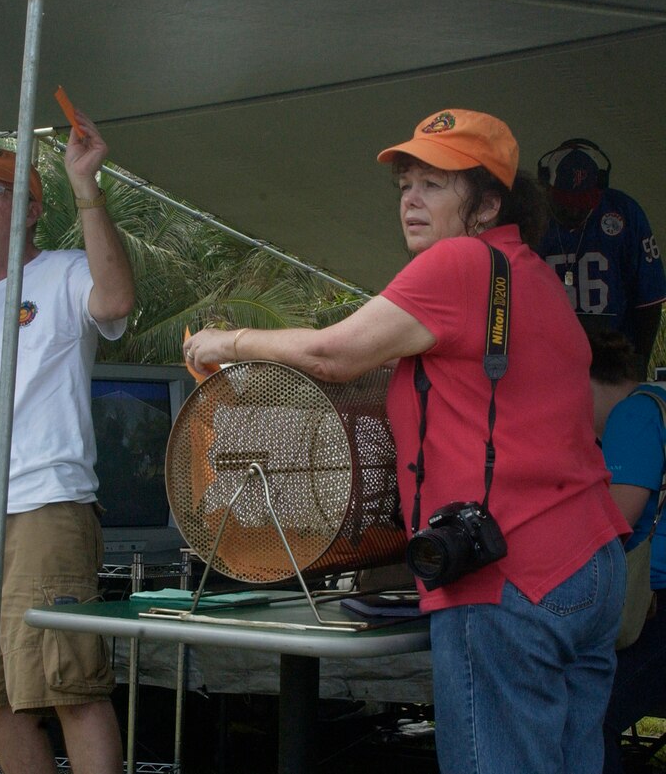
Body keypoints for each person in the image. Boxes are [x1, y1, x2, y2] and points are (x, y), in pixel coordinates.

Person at [185, 109, 630, 773]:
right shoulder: (533, 276)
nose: (412, 199)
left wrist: (226, 341)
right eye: (405, 185)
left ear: (486, 203)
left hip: (510, 574)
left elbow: (335, 354)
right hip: (588, 568)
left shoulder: (458, 263)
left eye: (435, 183)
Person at [0, 111, 132, 774]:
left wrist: (85, 185)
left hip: (42, 503)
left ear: (33, 208)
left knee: (70, 685)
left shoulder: (65, 272)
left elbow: (118, 299)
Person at [589, 330, 666, 774]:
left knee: (587, 713)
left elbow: (613, 526)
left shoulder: (632, 415)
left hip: (656, 608)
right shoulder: (657, 403)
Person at [537, 139, 666, 373]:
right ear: (546, 188)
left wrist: (638, 363)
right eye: (565, 202)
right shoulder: (531, 218)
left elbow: (649, 300)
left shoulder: (624, 212)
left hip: (611, 360)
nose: (574, 211)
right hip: (546, 358)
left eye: (584, 203)